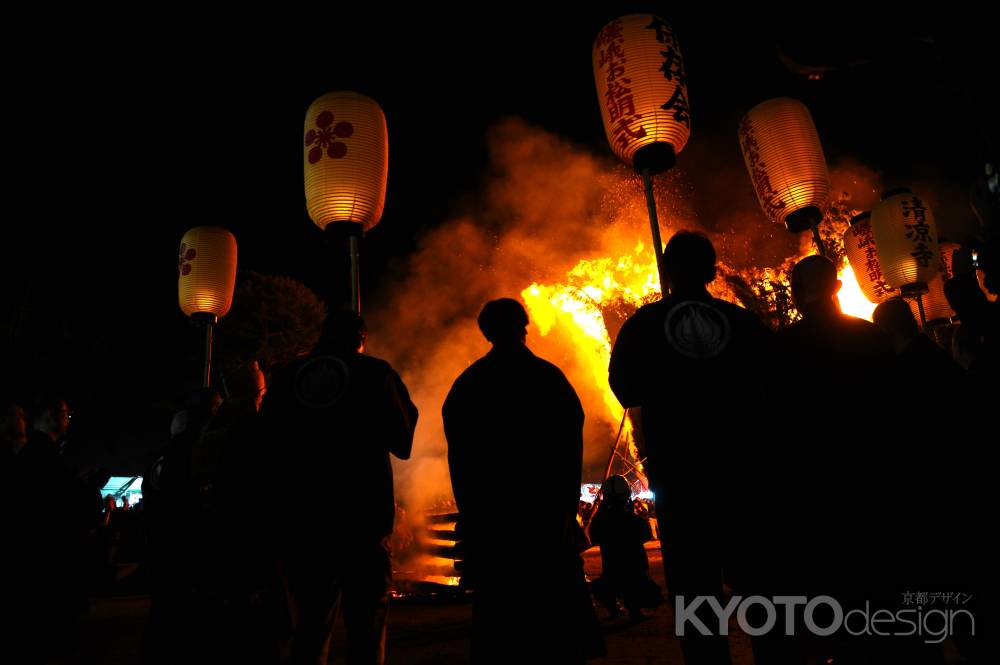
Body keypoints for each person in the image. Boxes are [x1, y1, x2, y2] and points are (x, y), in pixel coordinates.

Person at [609, 231, 775, 665]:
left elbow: (625, 389)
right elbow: (776, 386)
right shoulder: (743, 324)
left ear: (667, 271)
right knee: (760, 588)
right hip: (744, 475)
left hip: (682, 481)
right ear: (710, 270)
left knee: (697, 593)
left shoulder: (644, 326)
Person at [443, 298, 603, 664]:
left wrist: (471, 510)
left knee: (502, 625)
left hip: (493, 521)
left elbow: (461, 455)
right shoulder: (548, 379)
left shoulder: (469, 385)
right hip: (544, 517)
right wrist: (565, 505)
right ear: (524, 326)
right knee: (556, 622)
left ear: (486, 332)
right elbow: (569, 444)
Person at [261, 309, 417, 665]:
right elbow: (402, 440)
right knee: (366, 627)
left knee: (311, 626)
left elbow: (266, 447)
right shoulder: (375, 374)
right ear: (360, 339)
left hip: (304, 522)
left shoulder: (286, 378)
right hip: (362, 519)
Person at [588, 475, 662, 622]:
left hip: (612, 571)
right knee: (642, 588)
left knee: (605, 585)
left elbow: (594, 536)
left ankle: (615, 608)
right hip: (633, 571)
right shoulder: (632, 519)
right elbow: (645, 534)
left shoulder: (601, 521)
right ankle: (634, 610)